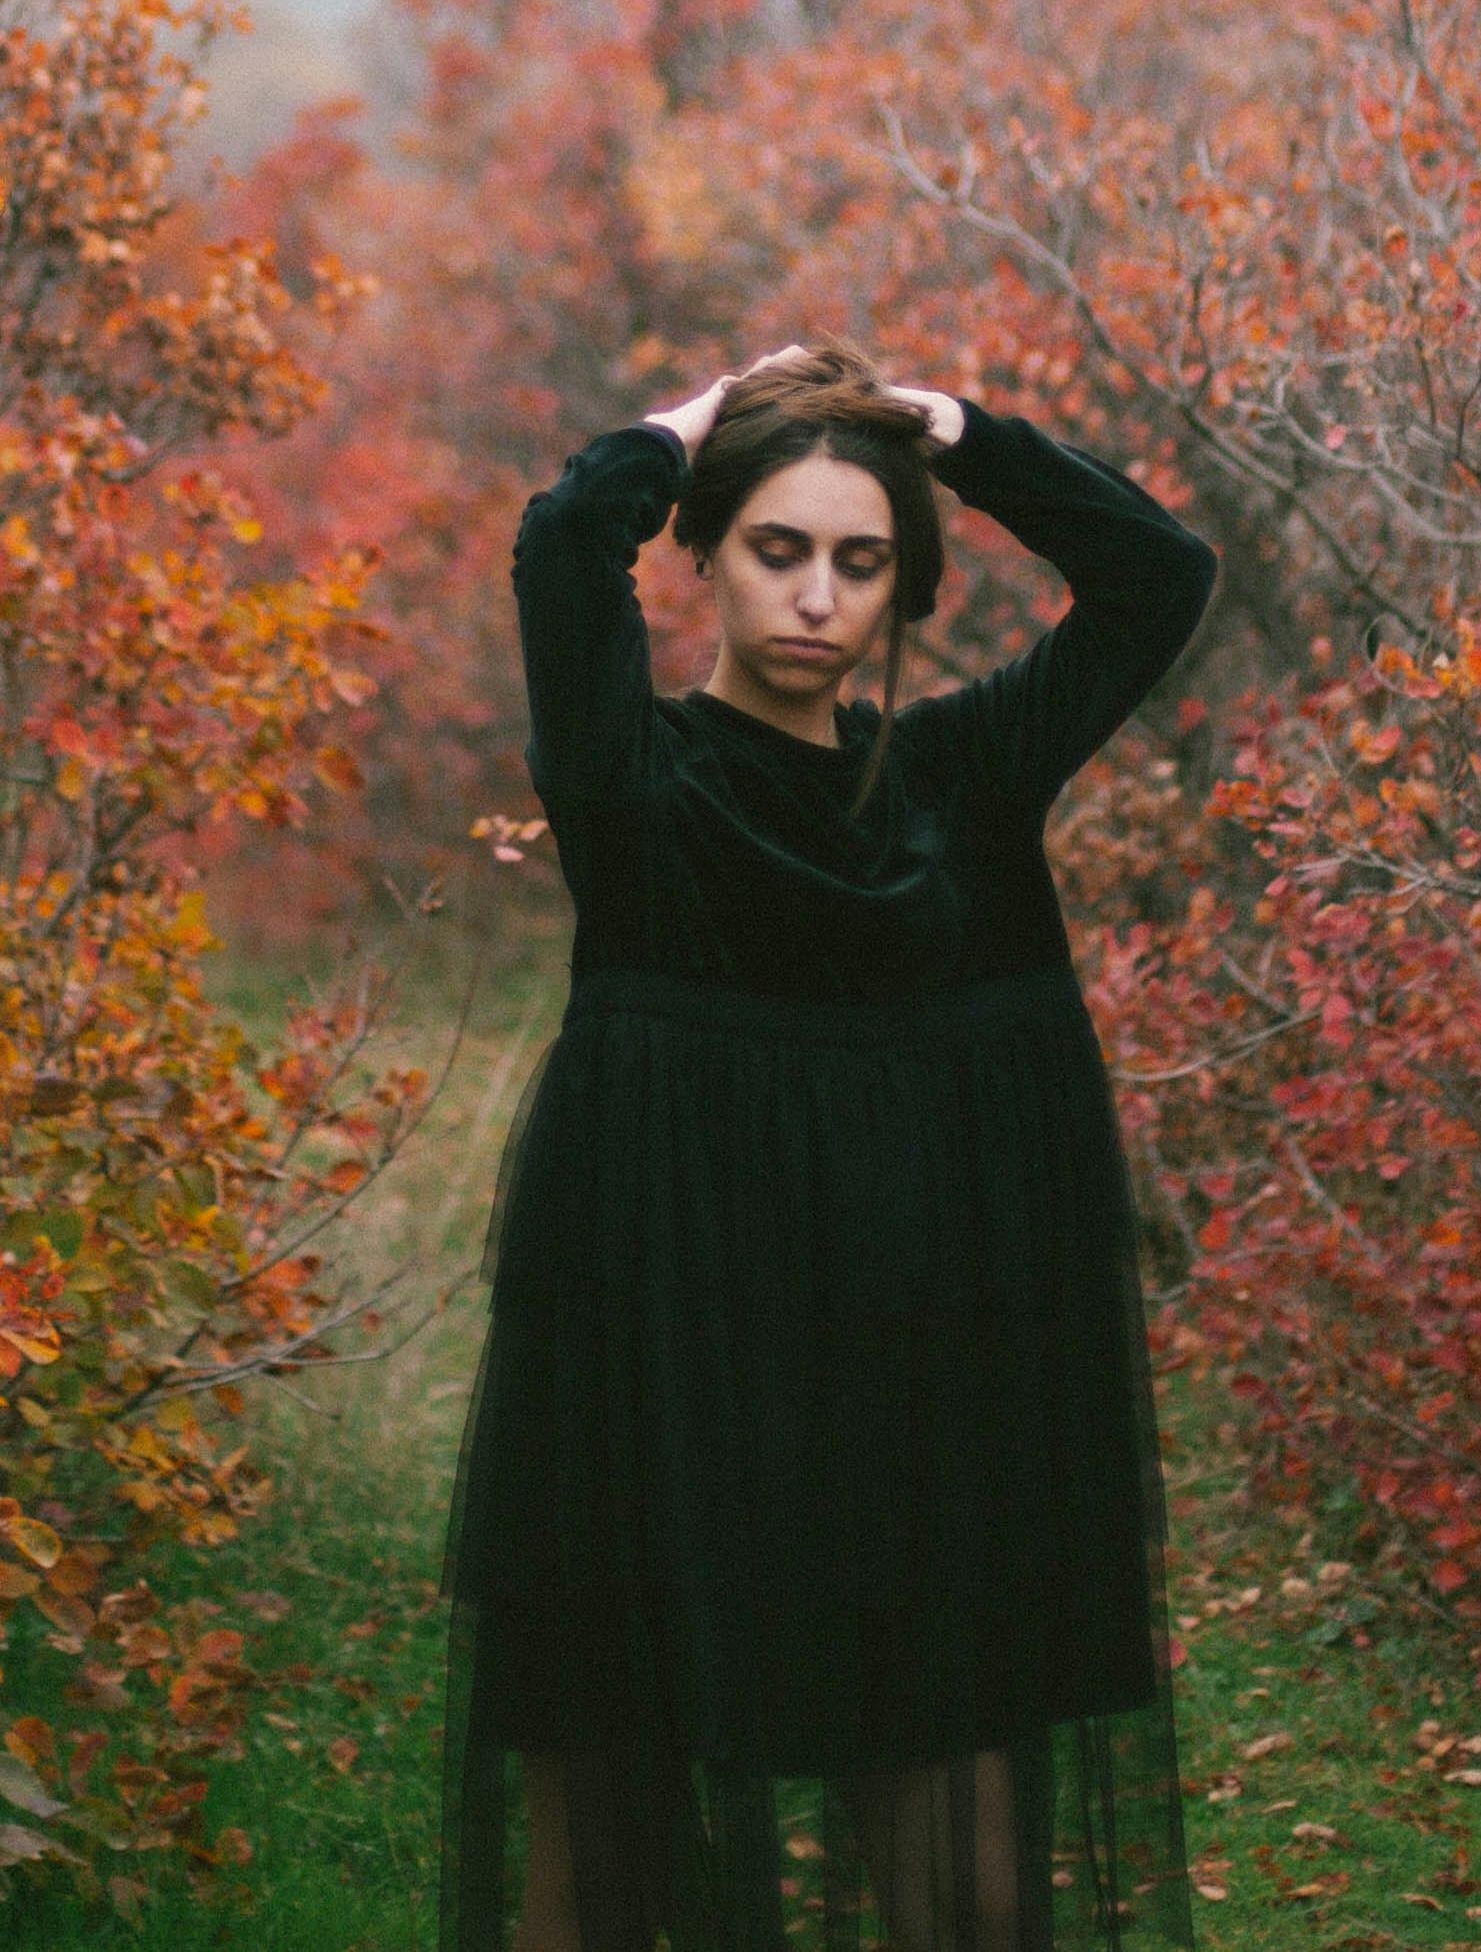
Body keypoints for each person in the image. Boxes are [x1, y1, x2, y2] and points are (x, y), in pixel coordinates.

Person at [440, 342, 1222, 1952]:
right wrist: (693, 420)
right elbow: (560, 543)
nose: (815, 597)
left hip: (914, 1396)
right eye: (777, 550)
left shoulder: (962, 780)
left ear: (904, 589)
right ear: (709, 559)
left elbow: (1157, 579)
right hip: (661, 1377)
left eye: (860, 561)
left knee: (970, 1892)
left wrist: (951, 431)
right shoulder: (633, 781)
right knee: (604, 1882)